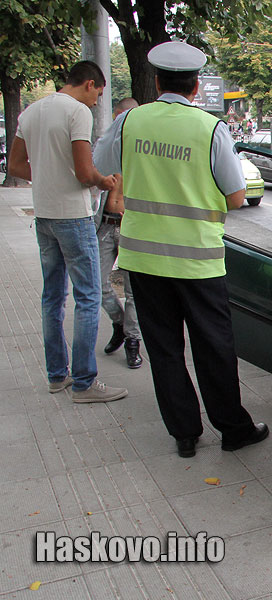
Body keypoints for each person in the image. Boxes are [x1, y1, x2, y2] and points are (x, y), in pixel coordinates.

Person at [93, 41, 269, 458]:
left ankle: (185, 435)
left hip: (145, 260)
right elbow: (237, 196)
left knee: (165, 348)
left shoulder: (129, 121)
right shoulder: (210, 129)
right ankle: (232, 429)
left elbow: (102, 163)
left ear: (156, 82)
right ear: (195, 87)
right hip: (198, 262)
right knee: (215, 347)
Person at [9, 61, 129, 403]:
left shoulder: (31, 112)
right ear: (89, 84)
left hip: (44, 216)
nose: (96, 102)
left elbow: (16, 165)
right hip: (74, 218)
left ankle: (57, 376)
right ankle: (84, 383)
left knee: (52, 297)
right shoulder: (77, 112)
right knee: (89, 296)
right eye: (99, 95)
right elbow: (83, 172)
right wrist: (103, 181)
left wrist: (47, 176)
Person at [94, 97, 142, 369]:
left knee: (133, 292)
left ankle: (133, 342)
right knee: (98, 286)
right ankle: (120, 323)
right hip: (104, 226)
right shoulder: (107, 149)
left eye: (121, 117)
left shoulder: (145, 151)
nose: (118, 122)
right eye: (116, 117)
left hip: (130, 228)